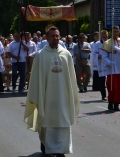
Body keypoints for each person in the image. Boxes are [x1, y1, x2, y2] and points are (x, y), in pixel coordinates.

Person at [24, 26, 80, 156]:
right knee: (47, 121)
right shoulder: (41, 55)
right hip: (47, 96)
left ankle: (61, 150)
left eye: (57, 35)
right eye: (52, 36)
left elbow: (72, 77)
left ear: (60, 37)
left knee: (63, 121)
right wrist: (36, 95)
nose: (55, 38)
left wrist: (72, 95)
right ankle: (46, 146)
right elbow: (36, 78)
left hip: (63, 97)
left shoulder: (66, 54)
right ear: (47, 38)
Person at [100, 25, 120, 111]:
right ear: (111, 32)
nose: (116, 33)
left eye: (117, 31)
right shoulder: (107, 43)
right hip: (111, 69)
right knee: (111, 86)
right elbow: (104, 56)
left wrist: (119, 49)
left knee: (119, 87)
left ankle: (116, 104)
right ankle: (110, 103)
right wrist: (109, 62)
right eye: (114, 31)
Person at [92, 30, 108, 100]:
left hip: (109, 64)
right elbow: (94, 53)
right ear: (101, 36)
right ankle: (103, 95)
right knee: (102, 81)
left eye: (106, 36)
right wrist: (98, 56)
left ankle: (111, 95)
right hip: (102, 63)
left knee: (109, 82)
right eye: (103, 36)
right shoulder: (97, 44)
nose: (104, 37)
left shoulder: (110, 42)